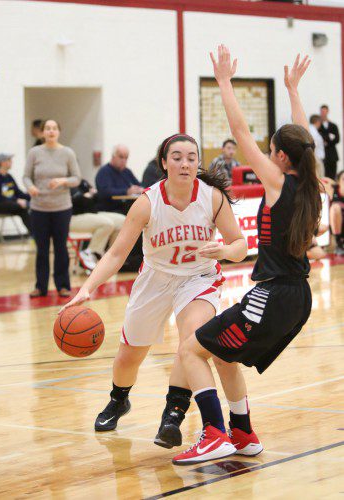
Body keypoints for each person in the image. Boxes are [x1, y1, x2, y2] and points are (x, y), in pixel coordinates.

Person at [172, 48, 321, 465]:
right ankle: (243, 434)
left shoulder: (278, 181)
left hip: (273, 296)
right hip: (297, 297)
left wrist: (223, 84)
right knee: (220, 351)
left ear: (278, 157)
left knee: (190, 349)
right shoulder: (308, 180)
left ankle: (214, 433)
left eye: (272, 148)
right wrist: (292, 91)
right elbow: (302, 138)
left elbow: (241, 134)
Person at [61, 133, 247, 449]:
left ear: (198, 162)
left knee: (192, 340)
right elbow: (117, 253)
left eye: (191, 157)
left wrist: (224, 251)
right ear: (164, 162)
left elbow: (241, 246)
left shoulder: (211, 197)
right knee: (128, 357)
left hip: (198, 278)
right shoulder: (148, 202)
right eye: (177, 157)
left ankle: (173, 413)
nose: (185, 163)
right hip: (156, 279)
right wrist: (87, 288)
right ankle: (119, 400)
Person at [23, 119, 81, 298]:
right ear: (42, 133)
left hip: (62, 208)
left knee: (61, 247)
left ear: (59, 132)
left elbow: (76, 178)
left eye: (54, 128)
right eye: (47, 128)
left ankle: (63, 285)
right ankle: (40, 286)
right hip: (39, 208)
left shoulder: (67, 153)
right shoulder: (34, 153)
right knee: (42, 248)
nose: (51, 131)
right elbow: (26, 177)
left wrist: (63, 181)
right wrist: (30, 187)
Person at [70, 179, 125, 270]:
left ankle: (110, 256)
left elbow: (96, 199)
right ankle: (91, 252)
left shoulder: (81, 181)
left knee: (122, 221)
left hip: (92, 213)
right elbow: (73, 202)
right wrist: (83, 197)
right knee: (106, 224)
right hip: (72, 217)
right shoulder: (63, 185)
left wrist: (93, 194)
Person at [0, 153, 31, 233]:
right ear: (2, 162)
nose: (11, 162)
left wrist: (31, 196)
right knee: (21, 205)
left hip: (11, 203)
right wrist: (17, 200)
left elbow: (18, 192)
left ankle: (35, 234)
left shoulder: (9, 177)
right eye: (9, 160)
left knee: (23, 209)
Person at [95, 145, 144, 213]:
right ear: (113, 156)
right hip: (110, 209)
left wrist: (139, 189)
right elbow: (105, 192)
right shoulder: (104, 172)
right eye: (121, 157)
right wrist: (127, 192)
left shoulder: (127, 171)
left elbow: (139, 185)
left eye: (126, 158)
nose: (123, 160)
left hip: (126, 207)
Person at [323, 171, 344, 255]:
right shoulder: (332, 189)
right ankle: (339, 243)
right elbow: (319, 180)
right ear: (338, 182)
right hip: (336, 225)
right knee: (335, 208)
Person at [319, 105, 340, 180]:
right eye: (322, 111)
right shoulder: (318, 126)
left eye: (325, 111)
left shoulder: (333, 126)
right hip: (322, 155)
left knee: (332, 175)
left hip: (332, 155)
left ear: (327, 112)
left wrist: (328, 143)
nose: (323, 113)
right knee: (323, 175)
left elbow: (337, 139)